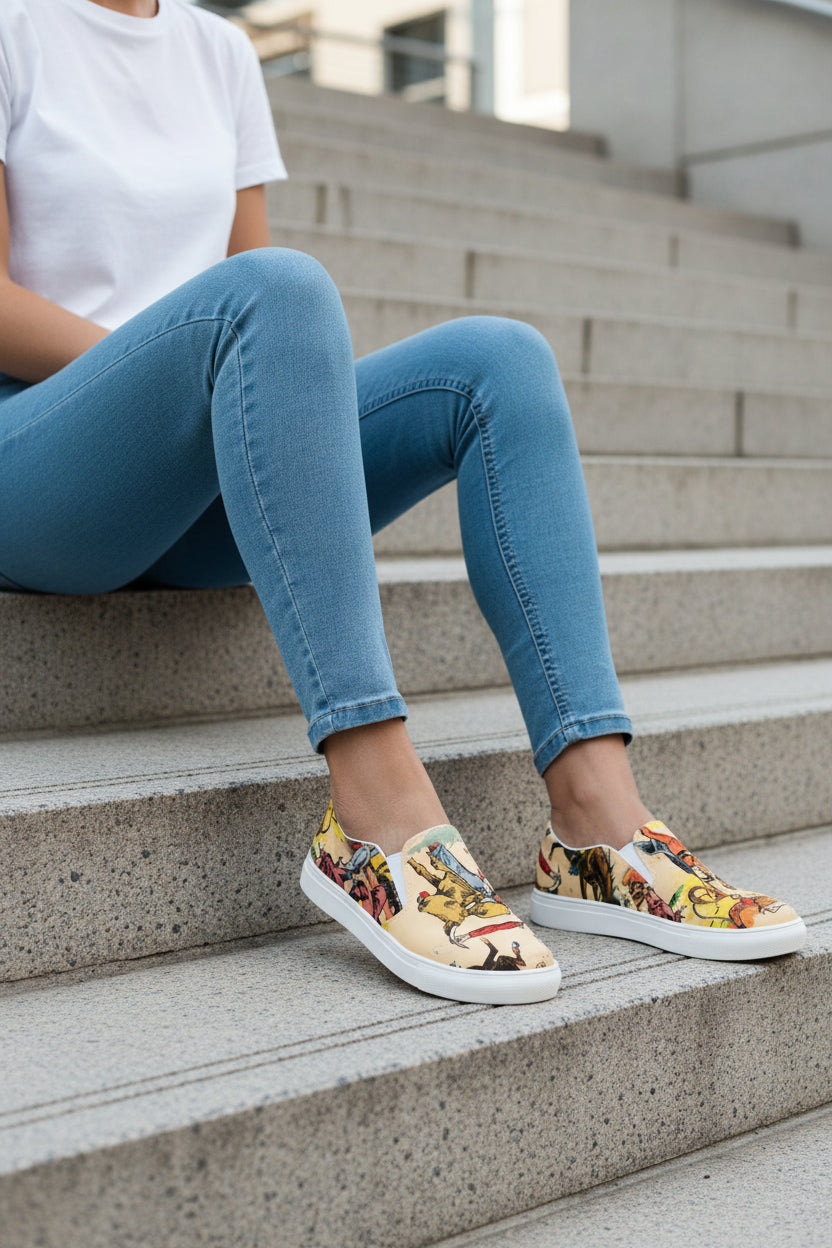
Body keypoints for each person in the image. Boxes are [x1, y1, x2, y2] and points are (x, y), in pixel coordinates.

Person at [0, 0, 805, 1007]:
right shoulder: (15, 29)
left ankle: (598, 830)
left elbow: (241, 278)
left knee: (497, 363)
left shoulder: (218, 52)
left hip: (194, 483)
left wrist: (246, 398)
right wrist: (188, 376)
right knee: (277, 290)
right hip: (40, 459)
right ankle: (375, 818)